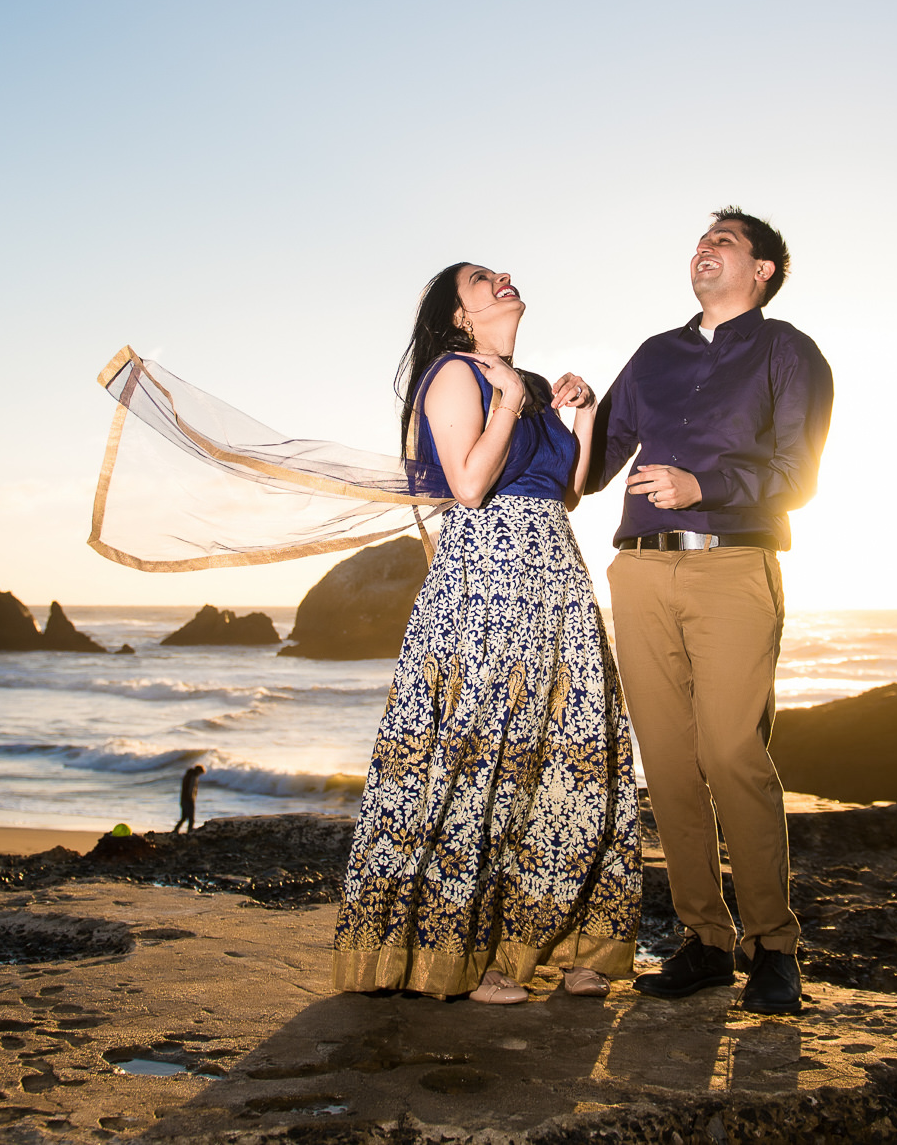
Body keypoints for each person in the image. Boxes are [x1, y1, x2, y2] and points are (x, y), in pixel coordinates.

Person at [333, 263, 640, 1004]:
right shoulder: (453, 374)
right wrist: (504, 402)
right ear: (460, 314)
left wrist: (583, 414)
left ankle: (564, 946)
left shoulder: (525, 379)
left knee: (573, 750)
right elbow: (469, 485)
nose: (504, 276)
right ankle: (463, 956)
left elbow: (566, 489)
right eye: (481, 277)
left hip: (556, 574)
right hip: (488, 578)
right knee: (487, 756)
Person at [584, 209, 833, 1016]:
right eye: (701, 239)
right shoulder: (654, 355)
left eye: (724, 240)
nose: (705, 248)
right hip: (640, 573)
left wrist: (705, 489)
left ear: (762, 270)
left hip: (732, 568)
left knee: (732, 751)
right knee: (667, 761)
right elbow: (591, 472)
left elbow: (799, 476)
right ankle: (706, 939)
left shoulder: (787, 351)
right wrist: (576, 416)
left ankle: (773, 945)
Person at [172, 763, 206, 834]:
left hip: (183, 799)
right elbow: (191, 789)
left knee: (183, 817)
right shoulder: (193, 777)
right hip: (189, 800)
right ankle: (189, 832)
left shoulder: (187, 775)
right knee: (191, 819)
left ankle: (175, 830)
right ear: (198, 771)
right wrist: (192, 799)